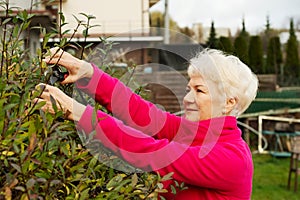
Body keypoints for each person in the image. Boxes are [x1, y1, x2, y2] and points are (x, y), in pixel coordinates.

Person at [35, 47, 258, 200]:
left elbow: (152, 151)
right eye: (189, 88)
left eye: (199, 91)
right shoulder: (191, 132)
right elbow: (142, 113)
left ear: (229, 103)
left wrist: (76, 111)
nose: (188, 98)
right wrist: (89, 73)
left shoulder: (232, 159)